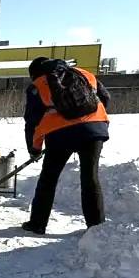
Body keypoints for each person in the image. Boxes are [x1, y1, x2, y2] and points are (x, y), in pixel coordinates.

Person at [22, 57, 111, 234]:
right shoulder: (84, 74)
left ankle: (37, 224)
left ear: (34, 73)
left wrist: (34, 149)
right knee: (90, 178)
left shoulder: (37, 86)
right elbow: (105, 97)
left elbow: (32, 122)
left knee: (48, 179)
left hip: (60, 134)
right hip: (93, 130)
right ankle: (96, 228)